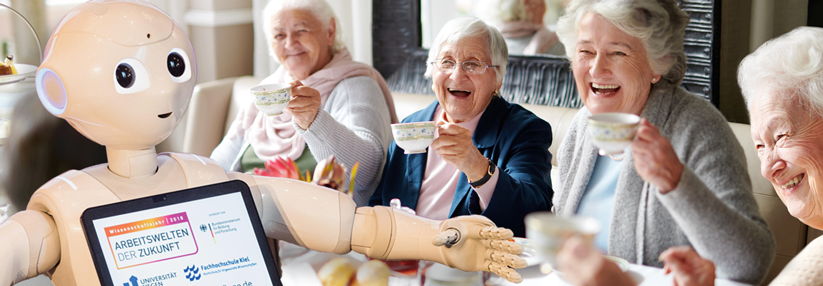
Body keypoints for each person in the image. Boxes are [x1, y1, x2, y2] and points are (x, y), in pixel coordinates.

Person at [0, 1, 527, 284]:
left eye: (172, 65)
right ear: (55, 91)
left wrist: (442, 239)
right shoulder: (67, 205)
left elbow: (355, 223)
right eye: (279, 34)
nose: (161, 86)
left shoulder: (222, 185)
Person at [555, 25, 823, 286]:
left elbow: (748, 264)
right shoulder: (583, 127)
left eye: (780, 136)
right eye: (760, 147)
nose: (767, 169)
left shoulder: (815, 266)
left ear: (656, 63)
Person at [369, 17, 554, 238]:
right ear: (432, 72)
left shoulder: (524, 131)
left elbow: (533, 217)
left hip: (472, 266)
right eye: (446, 62)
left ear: (498, 79)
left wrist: (477, 167)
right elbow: (379, 208)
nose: (457, 75)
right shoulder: (410, 128)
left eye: (473, 64)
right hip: (405, 261)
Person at [210, 0, 397, 206]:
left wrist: (314, 120)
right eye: (279, 35)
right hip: (248, 217)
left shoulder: (356, 86)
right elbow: (220, 162)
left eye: (301, 31)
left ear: (330, 31)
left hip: (315, 230)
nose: (290, 44)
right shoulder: (269, 87)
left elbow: (366, 172)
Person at [478, 0, 564, 55]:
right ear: (527, 3)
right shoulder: (557, 44)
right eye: (542, 3)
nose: (545, 9)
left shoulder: (487, 45)